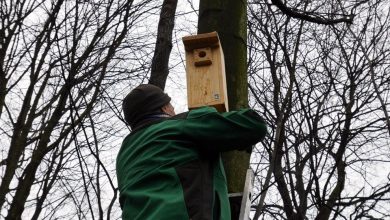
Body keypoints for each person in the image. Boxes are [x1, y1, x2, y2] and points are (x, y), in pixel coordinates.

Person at [116, 84, 267, 220]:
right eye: (171, 105)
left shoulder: (124, 155)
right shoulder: (178, 126)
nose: (174, 110)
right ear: (164, 108)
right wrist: (207, 116)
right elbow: (254, 125)